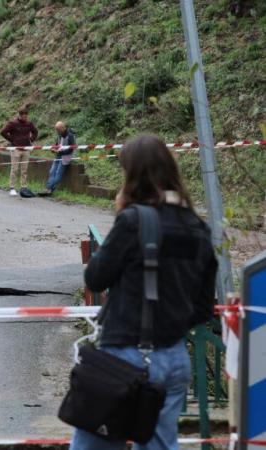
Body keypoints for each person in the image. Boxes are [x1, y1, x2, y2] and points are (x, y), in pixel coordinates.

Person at [73, 135, 217, 450]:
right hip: (175, 359)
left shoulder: (134, 220)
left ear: (133, 176)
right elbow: (205, 306)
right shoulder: (198, 227)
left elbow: (96, 278)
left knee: (93, 445)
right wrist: (169, 325)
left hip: (124, 357)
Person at [1, 107, 38, 197]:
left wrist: (31, 140)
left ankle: (23, 187)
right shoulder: (13, 123)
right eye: (24, 117)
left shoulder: (29, 124)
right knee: (14, 169)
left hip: (26, 149)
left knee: (24, 170)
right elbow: (3, 132)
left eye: (26, 116)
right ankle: (12, 187)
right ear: (20, 116)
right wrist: (12, 140)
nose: (25, 118)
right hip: (15, 149)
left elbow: (35, 132)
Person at [40, 121, 75, 195]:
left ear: (63, 128)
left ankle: (48, 188)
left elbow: (71, 149)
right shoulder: (59, 135)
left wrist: (59, 152)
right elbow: (57, 144)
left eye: (58, 130)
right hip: (58, 155)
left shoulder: (70, 135)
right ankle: (49, 189)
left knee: (58, 174)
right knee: (52, 171)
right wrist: (53, 149)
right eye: (56, 130)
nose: (57, 132)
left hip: (66, 157)